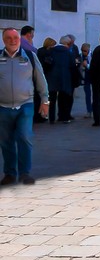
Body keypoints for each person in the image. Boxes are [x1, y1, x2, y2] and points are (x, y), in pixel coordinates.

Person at [0, 28, 48, 185]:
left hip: (25, 105)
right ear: (3, 39)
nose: (12, 40)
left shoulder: (30, 57)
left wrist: (45, 100)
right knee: (6, 141)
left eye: (15, 37)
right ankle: (9, 174)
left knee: (24, 137)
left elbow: (40, 79)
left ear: (19, 39)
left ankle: (24, 173)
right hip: (3, 107)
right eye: (8, 38)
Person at [39, 35, 75, 124]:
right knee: (64, 98)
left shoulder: (51, 51)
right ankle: (64, 117)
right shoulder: (68, 53)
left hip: (52, 77)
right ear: (67, 43)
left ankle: (51, 118)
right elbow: (72, 66)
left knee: (52, 98)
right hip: (64, 78)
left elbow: (47, 63)